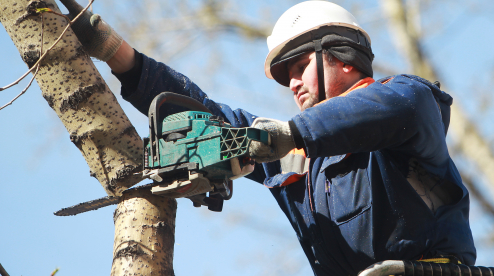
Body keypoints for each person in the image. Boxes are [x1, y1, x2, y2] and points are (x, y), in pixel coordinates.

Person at [62, 0, 476, 275]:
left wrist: (287, 132)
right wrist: (116, 53)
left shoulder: (406, 105)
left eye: (298, 67)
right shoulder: (297, 160)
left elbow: (405, 104)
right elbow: (210, 116)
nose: (292, 84)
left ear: (342, 57)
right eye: (287, 77)